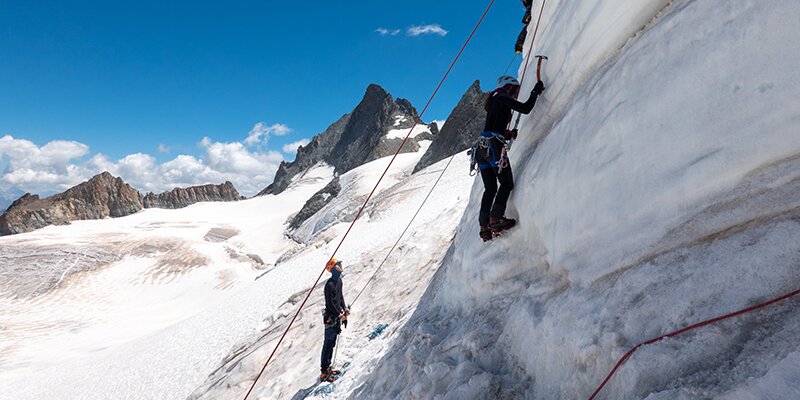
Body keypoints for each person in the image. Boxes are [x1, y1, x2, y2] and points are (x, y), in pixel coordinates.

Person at [475, 75, 544, 241]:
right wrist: (535, 92)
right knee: (506, 183)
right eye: (515, 90)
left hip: (481, 148)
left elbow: (493, 125)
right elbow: (526, 108)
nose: (515, 94)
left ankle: (485, 227)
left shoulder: (494, 100)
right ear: (509, 87)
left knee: (490, 188)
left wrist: (507, 133)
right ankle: (496, 219)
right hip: (493, 146)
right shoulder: (503, 96)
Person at [320, 259, 349, 382]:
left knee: (331, 343)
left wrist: (344, 309)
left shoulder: (338, 281)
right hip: (331, 317)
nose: (341, 266)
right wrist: (339, 313)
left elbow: (340, 297)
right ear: (333, 268)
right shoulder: (330, 284)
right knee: (328, 344)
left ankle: (328, 368)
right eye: (338, 265)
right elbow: (330, 303)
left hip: (336, 317)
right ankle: (324, 371)